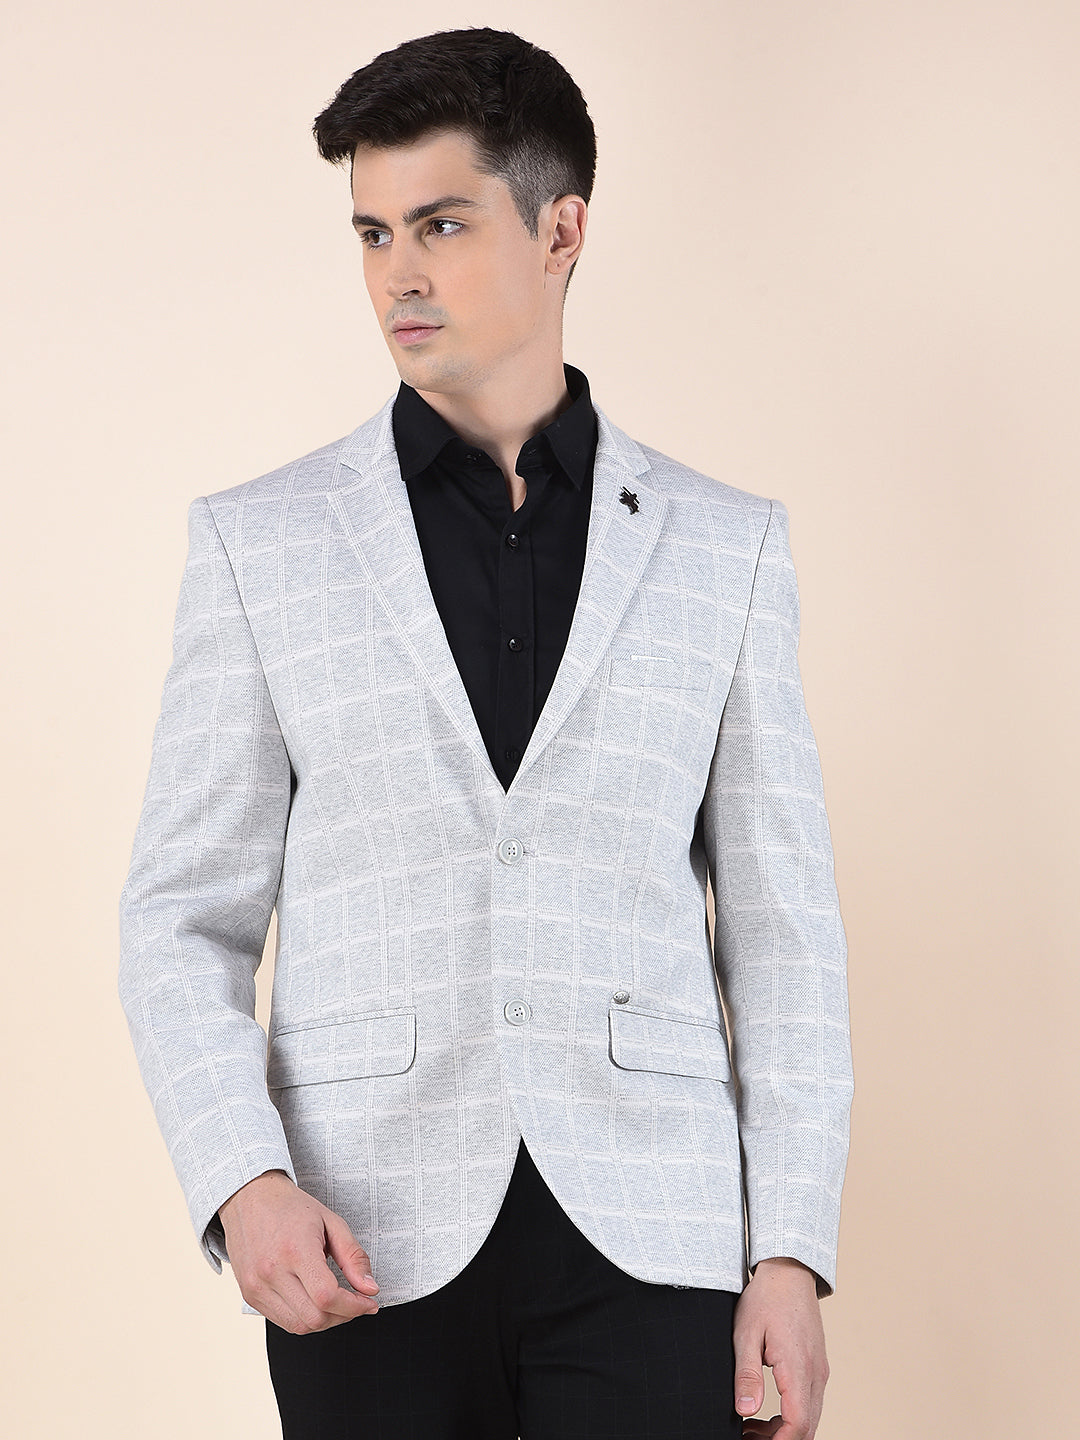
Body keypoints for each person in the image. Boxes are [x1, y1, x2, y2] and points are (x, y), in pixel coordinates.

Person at [118, 25, 854, 1440]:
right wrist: (241, 1180)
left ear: (560, 230)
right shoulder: (261, 545)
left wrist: (790, 1252)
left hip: (657, 1234)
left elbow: (784, 931)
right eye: (373, 232)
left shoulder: (727, 549)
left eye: (443, 224)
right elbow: (180, 915)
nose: (399, 273)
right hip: (362, 1238)